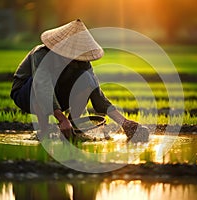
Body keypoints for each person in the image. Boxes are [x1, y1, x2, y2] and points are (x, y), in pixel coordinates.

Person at [10, 19, 148, 140]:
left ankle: (74, 128)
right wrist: (61, 118)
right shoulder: (41, 54)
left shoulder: (82, 61)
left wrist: (124, 122)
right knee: (38, 83)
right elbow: (43, 87)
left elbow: (98, 96)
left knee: (87, 79)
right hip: (26, 94)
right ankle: (44, 131)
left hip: (58, 93)